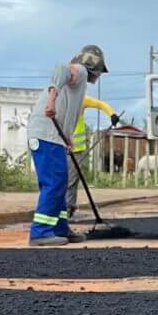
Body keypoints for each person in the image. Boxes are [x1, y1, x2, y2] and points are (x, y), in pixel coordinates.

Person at [27, 45, 107, 246]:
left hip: (55, 137)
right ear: (94, 66)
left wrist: (67, 138)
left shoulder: (79, 85)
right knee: (53, 183)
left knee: (60, 183)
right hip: (46, 135)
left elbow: (67, 109)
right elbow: (62, 69)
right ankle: (40, 232)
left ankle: (60, 228)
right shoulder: (79, 71)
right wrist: (51, 99)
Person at [65, 95, 122, 218]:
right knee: (65, 179)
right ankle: (65, 207)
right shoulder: (61, 99)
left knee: (72, 179)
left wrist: (112, 114)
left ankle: (68, 207)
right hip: (61, 146)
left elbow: (101, 104)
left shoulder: (82, 99)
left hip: (77, 149)